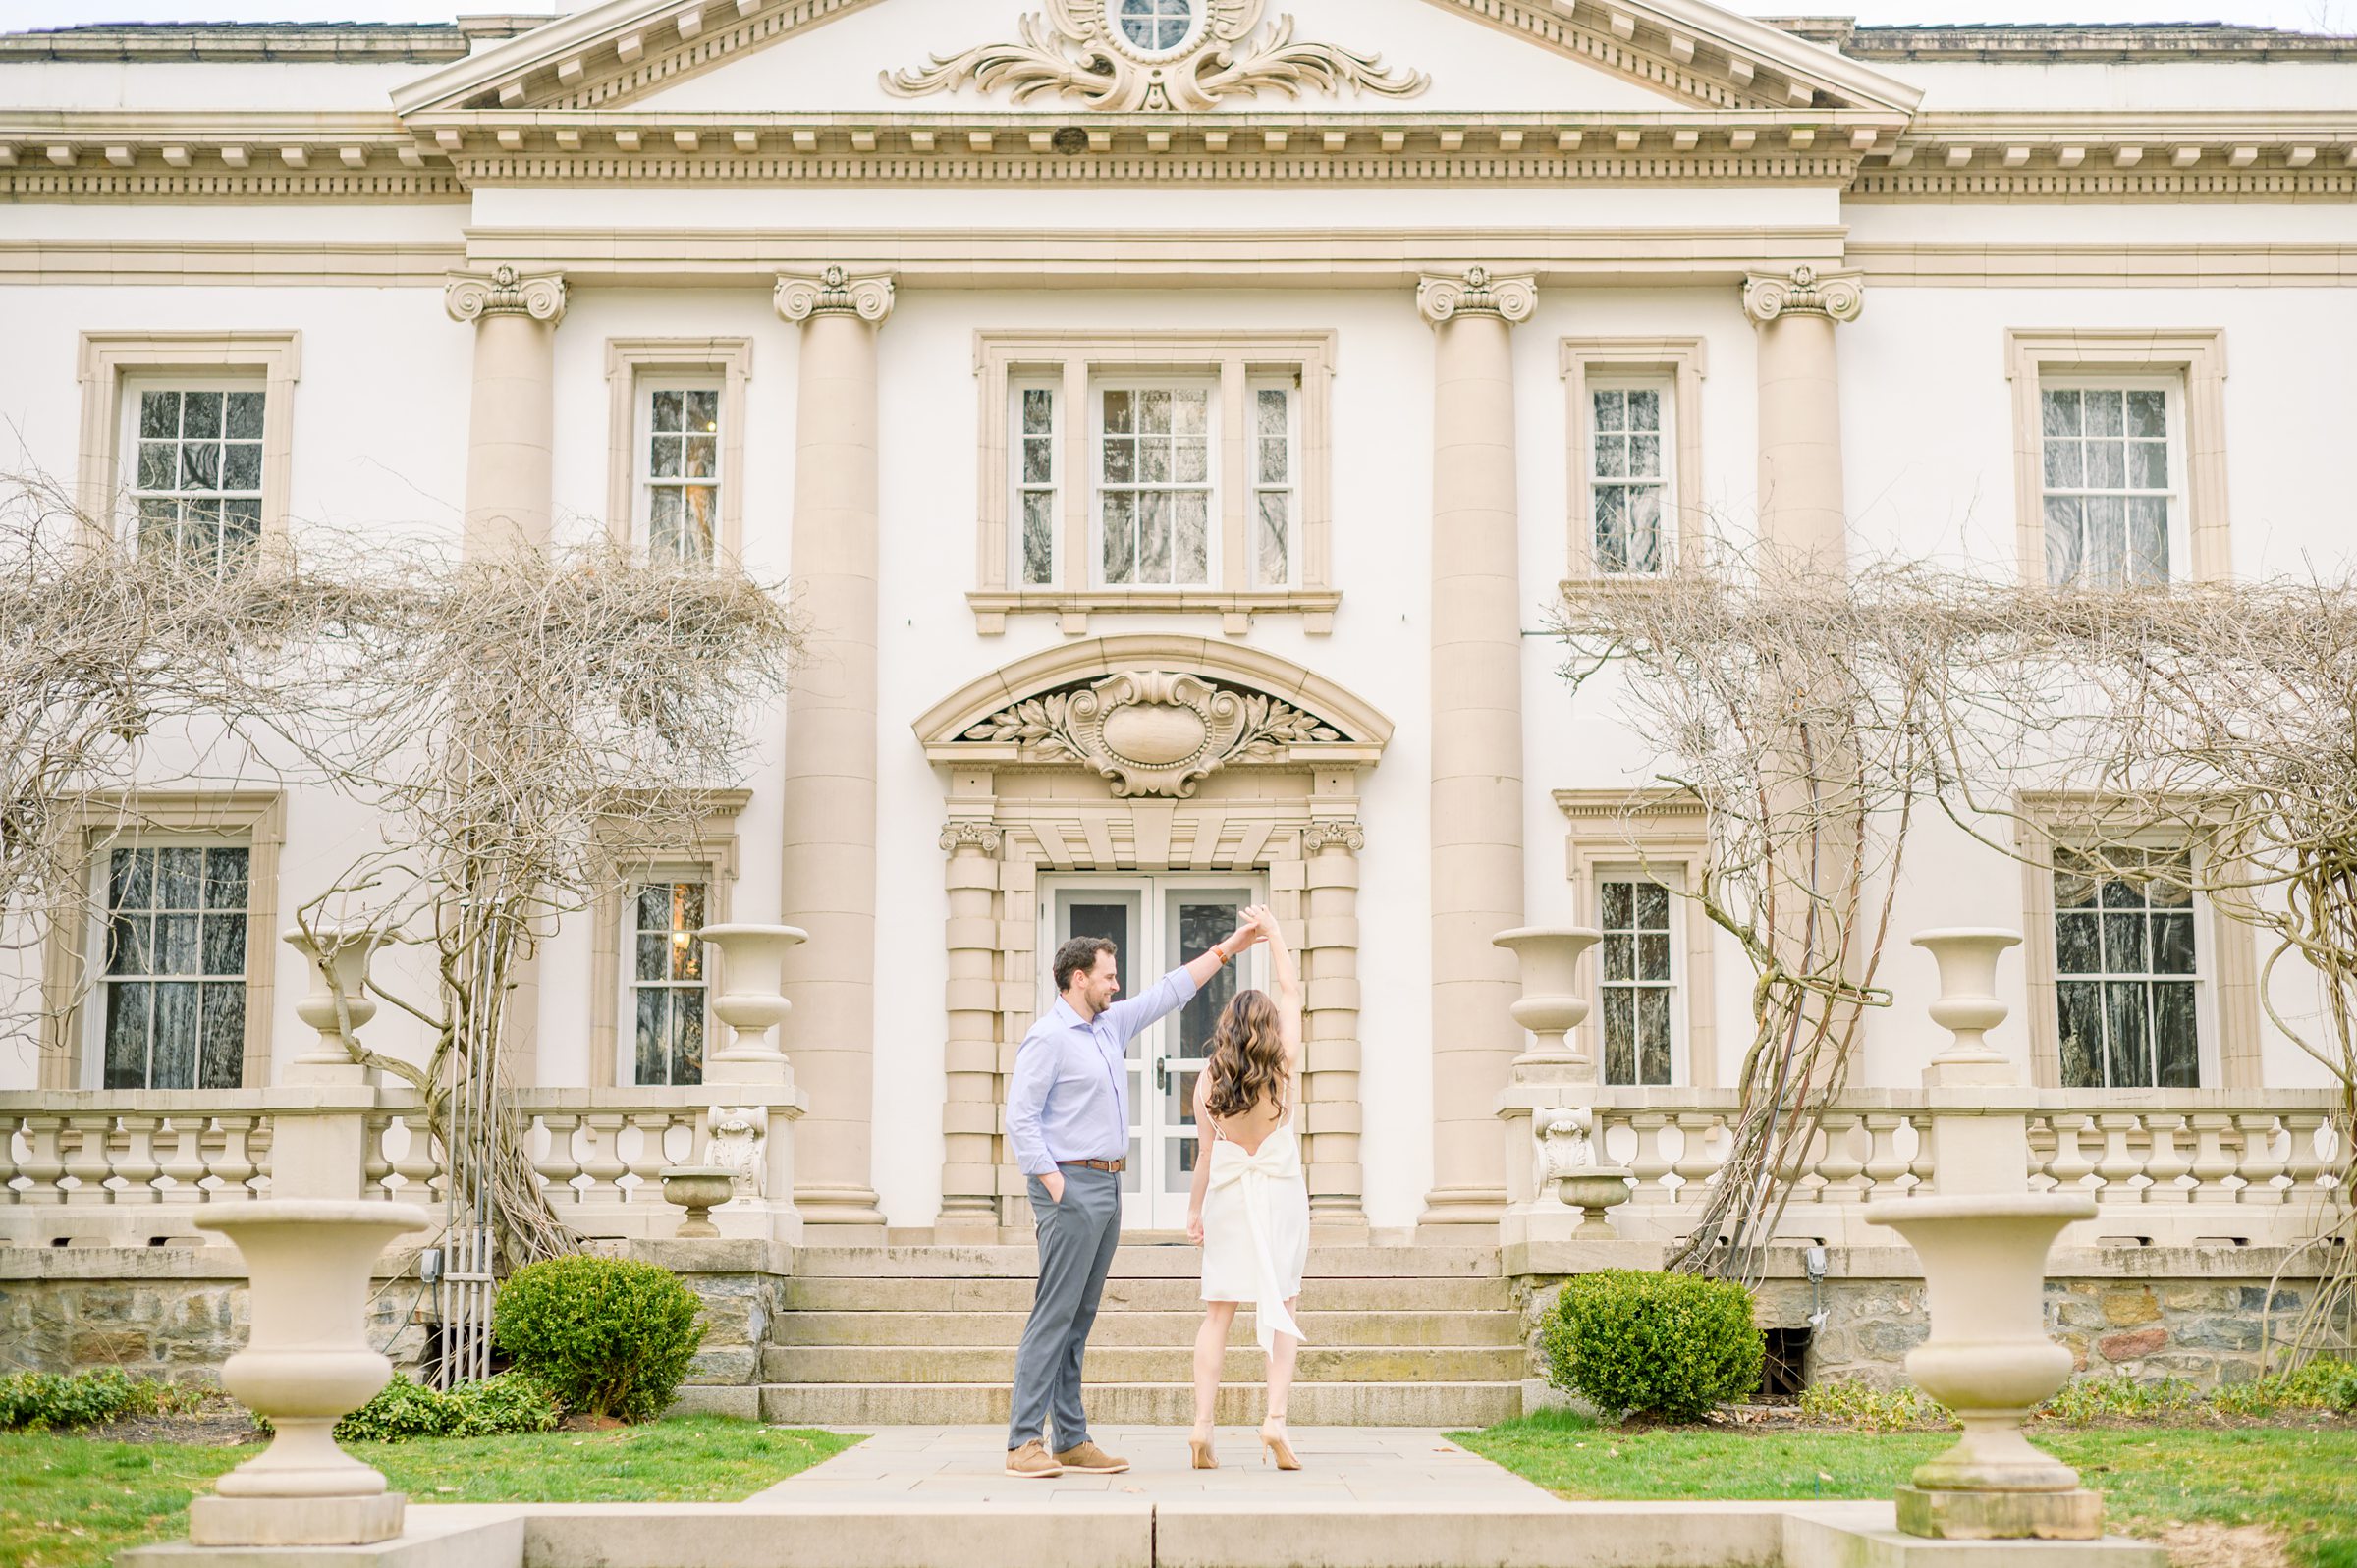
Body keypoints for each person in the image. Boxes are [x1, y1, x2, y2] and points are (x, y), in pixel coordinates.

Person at [1001, 915, 1266, 1480]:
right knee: (1054, 1312)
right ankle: (1024, 1441)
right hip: (1070, 1186)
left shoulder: (1107, 1026)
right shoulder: (1048, 1038)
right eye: (1108, 976)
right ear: (1077, 979)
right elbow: (1020, 1118)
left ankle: (1070, 1439)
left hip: (1108, 1185)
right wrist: (1054, 1183)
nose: (1116, 986)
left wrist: (1230, 948)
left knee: (1080, 1315)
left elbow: (1170, 992)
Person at [1184, 903, 1308, 1473]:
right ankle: (1274, 1421)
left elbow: (1207, 1155)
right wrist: (1275, 935)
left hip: (1229, 1197)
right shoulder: (1283, 1065)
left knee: (1218, 1314)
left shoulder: (1208, 1081)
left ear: (1226, 1028)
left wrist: (1193, 1212)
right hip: (1279, 1193)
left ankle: (1202, 1427)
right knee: (1281, 1304)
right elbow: (1291, 989)